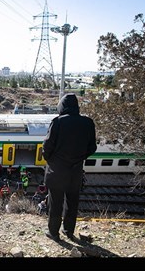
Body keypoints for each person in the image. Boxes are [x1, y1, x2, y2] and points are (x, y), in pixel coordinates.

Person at [42, 93, 97, 242]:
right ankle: (68, 230)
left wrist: (52, 160)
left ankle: (53, 232)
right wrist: (80, 158)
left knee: (56, 203)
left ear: (62, 106)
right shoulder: (88, 123)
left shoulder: (58, 122)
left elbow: (47, 147)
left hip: (57, 171)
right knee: (72, 203)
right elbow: (92, 148)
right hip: (76, 171)